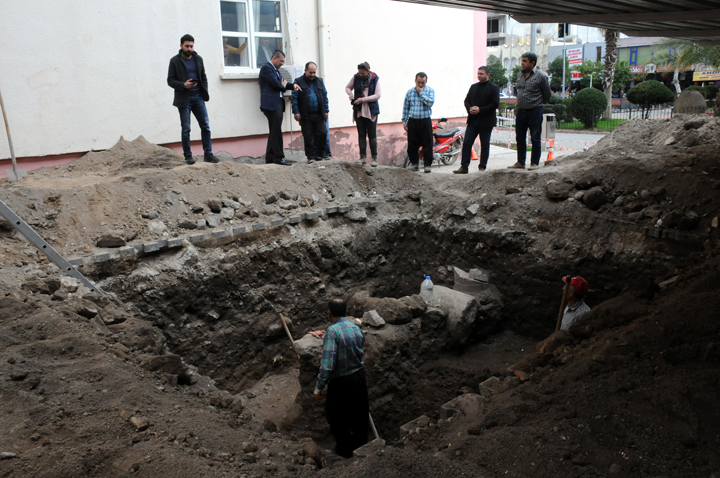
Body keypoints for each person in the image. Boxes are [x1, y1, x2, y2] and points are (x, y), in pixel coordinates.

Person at [311, 299, 368, 458]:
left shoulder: (332, 331)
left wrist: (319, 387)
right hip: (359, 377)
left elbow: (328, 364)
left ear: (329, 313)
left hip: (342, 382)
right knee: (359, 416)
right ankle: (360, 450)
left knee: (335, 417)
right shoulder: (356, 328)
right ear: (345, 311)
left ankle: (343, 451)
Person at [167, 34, 220, 164]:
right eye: (187, 46)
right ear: (181, 46)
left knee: (205, 126)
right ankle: (188, 156)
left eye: (191, 46)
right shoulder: (175, 61)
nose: (189, 48)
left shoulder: (198, 59)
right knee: (186, 129)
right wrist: (183, 85)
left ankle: (208, 154)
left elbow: (203, 76)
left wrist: (204, 91)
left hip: (198, 97)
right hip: (184, 99)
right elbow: (170, 80)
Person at [508, 52, 551, 171]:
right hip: (521, 111)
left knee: (535, 138)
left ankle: (534, 163)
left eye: (525, 61)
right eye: (522, 60)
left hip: (535, 111)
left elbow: (547, 94)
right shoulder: (519, 75)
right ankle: (521, 162)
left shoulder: (541, 76)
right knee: (520, 137)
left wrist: (538, 103)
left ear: (532, 63)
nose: (522, 63)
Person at [258, 50, 301, 166]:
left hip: (277, 103)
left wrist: (293, 86)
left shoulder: (276, 71)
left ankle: (270, 158)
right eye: (281, 61)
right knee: (276, 131)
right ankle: (279, 157)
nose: (282, 63)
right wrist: (282, 86)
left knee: (274, 131)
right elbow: (277, 85)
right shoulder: (266, 68)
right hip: (271, 104)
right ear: (274, 59)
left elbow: (283, 83)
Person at [454, 66, 499, 174]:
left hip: (486, 121)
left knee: (484, 145)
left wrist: (480, 110)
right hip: (473, 120)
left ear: (488, 75)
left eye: (481, 74)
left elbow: (495, 104)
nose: (479, 75)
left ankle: (482, 167)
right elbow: (467, 100)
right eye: (478, 73)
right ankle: (464, 167)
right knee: (467, 142)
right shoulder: (473, 87)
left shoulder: (494, 88)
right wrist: (470, 109)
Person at [291, 62, 329, 164]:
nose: (312, 75)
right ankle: (310, 157)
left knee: (323, 133)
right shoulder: (298, 81)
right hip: (305, 114)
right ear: (305, 71)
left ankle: (320, 154)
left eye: (314, 72)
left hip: (319, 114)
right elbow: (294, 98)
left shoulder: (319, 81)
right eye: (310, 72)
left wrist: (326, 111)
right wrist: (296, 112)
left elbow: (325, 96)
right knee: (308, 137)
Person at [345, 63, 381, 166]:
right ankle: (362, 157)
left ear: (368, 71)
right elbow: (347, 87)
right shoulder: (356, 77)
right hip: (359, 109)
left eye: (363, 73)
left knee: (372, 135)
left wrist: (363, 99)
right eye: (359, 72)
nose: (360, 74)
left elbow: (378, 95)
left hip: (370, 110)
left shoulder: (375, 78)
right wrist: (350, 94)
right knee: (361, 134)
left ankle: (374, 158)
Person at [402, 72, 435, 173]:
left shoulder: (430, 91)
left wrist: (421, 93)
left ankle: (427, 165)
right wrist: (404, 120)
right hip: (413, 121)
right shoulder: (410, 92)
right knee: (412, 143)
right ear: (415, 81)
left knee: (428, 143)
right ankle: (414, 164)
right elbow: (406, 107)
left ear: (426, 81)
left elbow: (430, 103)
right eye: (419, 82)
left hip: (425, 120)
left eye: (423, 83)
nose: (420, 85)